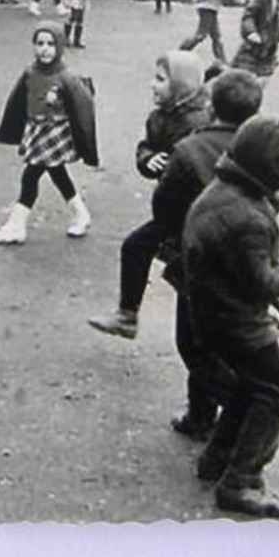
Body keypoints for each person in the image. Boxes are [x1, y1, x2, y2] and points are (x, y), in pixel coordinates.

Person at [182, 115, 279, 518]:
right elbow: (262, 282)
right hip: (237, 322)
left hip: (212, 313)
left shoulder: (223, 189)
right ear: (270, 164)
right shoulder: (248, 218)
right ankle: (240, 481)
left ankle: (217, 458)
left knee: (252, 385)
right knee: (278, 391)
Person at [153, 68, 265, 441]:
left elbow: (164, 205)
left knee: (193, 341)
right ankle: (199, 413)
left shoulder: (190, 148)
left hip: (197, 258)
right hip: (247, 258)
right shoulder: (257, 147)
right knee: (221, 339)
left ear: (211, 105)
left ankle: (233, 408)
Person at [86, 50, 209, 340]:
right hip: (171, 211)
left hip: (195, 213)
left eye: (161, 79)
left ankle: (268, 305)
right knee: (138, 248)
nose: (152, 85)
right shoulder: (158, 119)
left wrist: (174, 169)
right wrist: (148, 159)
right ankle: (128, 315)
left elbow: (202, 166)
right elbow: (146, 146)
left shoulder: (200, 122)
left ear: (181, 85)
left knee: (200, 273)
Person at [0, 22, 99, 244]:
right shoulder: (30, 73)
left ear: (59, 47)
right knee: (57, 173)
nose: (45, 49)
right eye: (40, 43)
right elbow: (19, 99)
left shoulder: (65, 77)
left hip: (54, 132)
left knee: (31, 175)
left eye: (50, 44)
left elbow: (83, 102)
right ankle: (80, 213)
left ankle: (16, 225)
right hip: (37, 129)